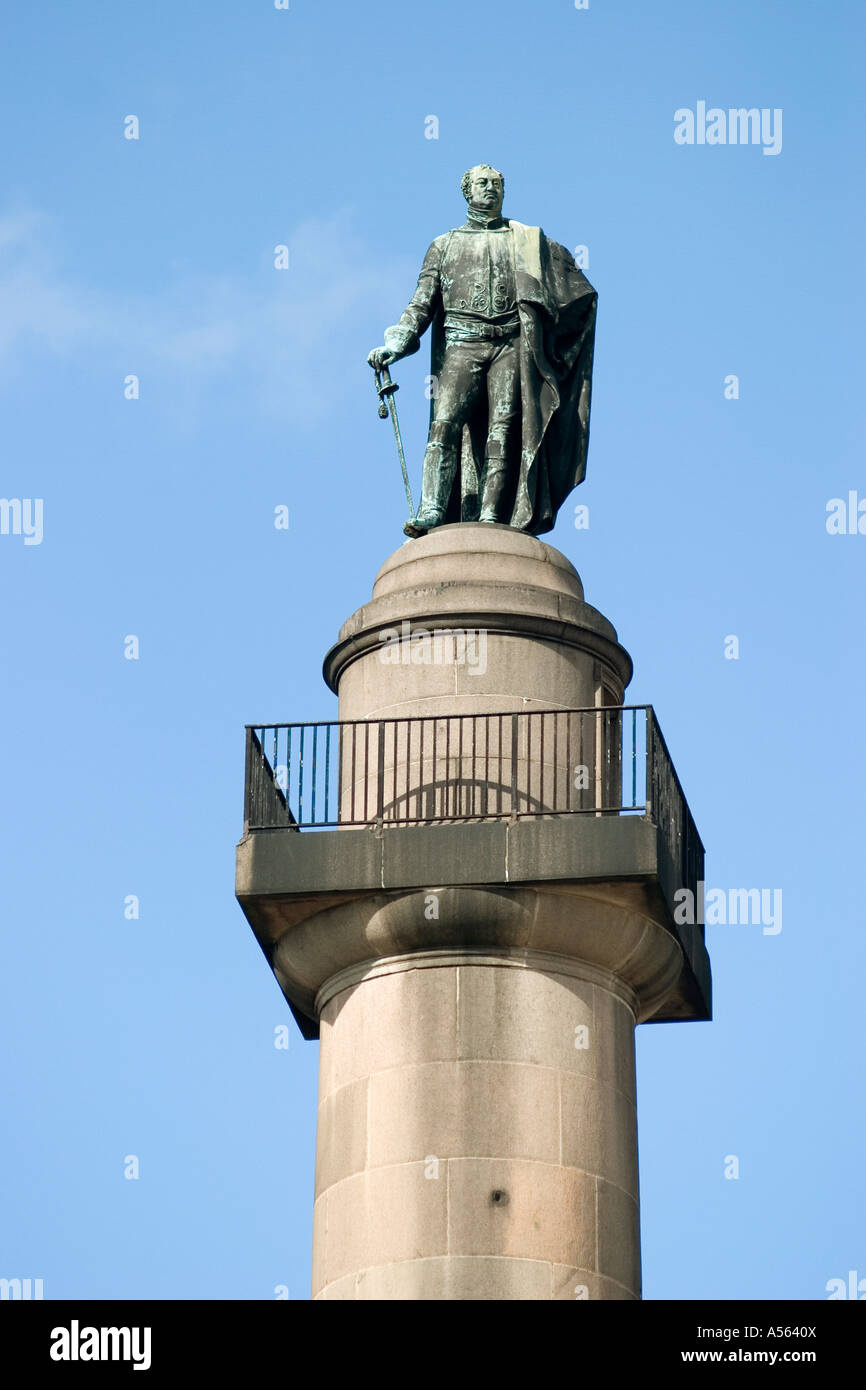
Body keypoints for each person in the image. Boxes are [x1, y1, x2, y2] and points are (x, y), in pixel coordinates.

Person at [368, 165, 597, 538]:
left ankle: (493, 514)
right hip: (462, 342)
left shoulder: (527, 241)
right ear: (466, 191)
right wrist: (396, 342)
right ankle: (432, 509)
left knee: (502, 430)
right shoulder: (444, 245)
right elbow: (421, 305)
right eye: (482, 183)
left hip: (509, 344)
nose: (490, 189)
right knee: (444, 424)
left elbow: (574, 288)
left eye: (496, 184)